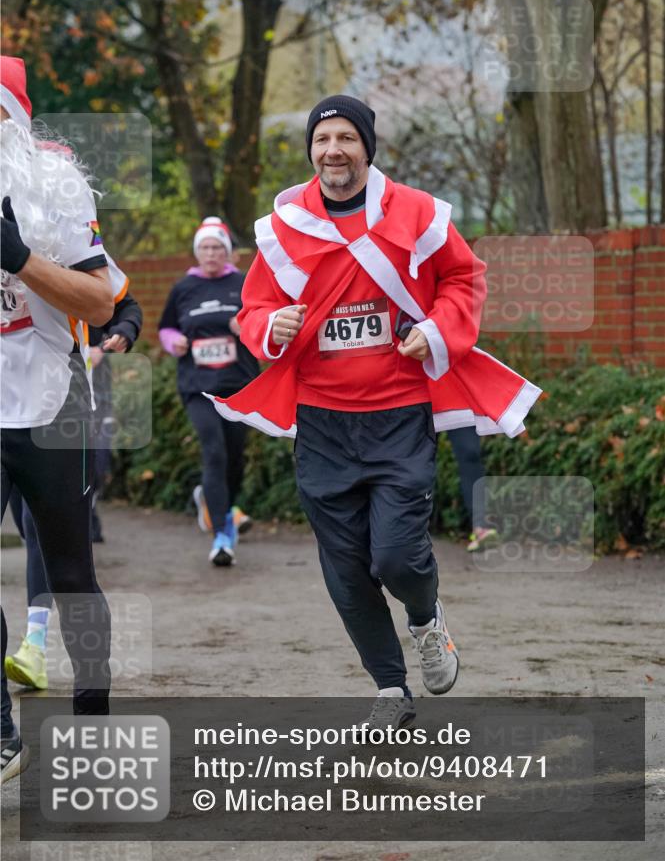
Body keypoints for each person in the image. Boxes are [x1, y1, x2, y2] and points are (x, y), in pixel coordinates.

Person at [207, 95, 541, 728]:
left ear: (367, 147)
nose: (333, 149)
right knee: (345, 569)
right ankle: (390, 687)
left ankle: (426, 619)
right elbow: (252, 311)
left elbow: (463, 280)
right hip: (322, 421)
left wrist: (439, 329)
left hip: (399, 415)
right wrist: (270, 325)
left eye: (346, 138)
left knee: (394, 556)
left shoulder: (417, 213)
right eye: (322, 138)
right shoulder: (282, 229)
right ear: (311, 149)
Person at [0, 56, 113, 782]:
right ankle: (1, 735)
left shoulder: (56, 188)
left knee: (71, 572)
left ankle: (92, 734)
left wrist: (19, 257)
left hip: (51, 403)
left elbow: (100, 304)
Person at [4, 262, 142, 691]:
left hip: (63, 416)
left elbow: (124, 305)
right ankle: (8, 725)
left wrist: (124, 332)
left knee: (47, 542)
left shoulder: (60, 229)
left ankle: (38, 644)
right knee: (35, 536)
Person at [158, 218, 259, 566]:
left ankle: (212, 501)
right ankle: (222, 535)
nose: (211, 253)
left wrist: (245, 325)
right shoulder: (184, 287)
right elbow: (166, 327)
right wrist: (175, 342)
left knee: (235, 458)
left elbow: (262, 319)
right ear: (197, 252)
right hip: (197, 386)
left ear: (227, 251)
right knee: (214, 452)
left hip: (239, 385)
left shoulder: (244, 284)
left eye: (217, 247)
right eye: (205, 247)